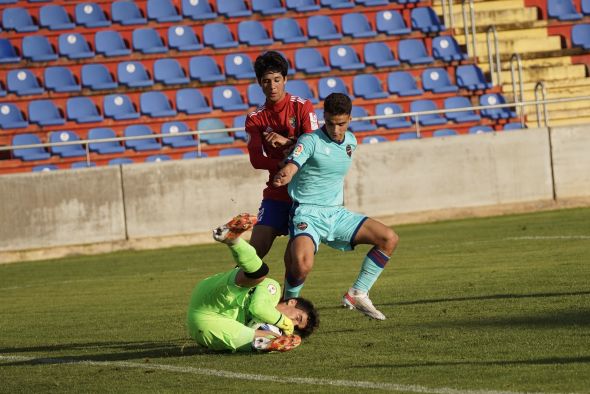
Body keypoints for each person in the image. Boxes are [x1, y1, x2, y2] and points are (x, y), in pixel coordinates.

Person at [272, 93, 399, 320]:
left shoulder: (351, 142)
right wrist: (286, 173)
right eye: (330, 123)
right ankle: (285, 308)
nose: (336, 129)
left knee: (388, 238)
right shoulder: (310, 140)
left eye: (341, 124)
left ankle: (358, 293)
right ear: (324, 118)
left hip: (337, 213)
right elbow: (294, 163)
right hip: (308, 213)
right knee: (301, 265)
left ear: (349, 119)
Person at [187, 213, 319, 353]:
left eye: (295, 327)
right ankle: (233, 240)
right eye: (298, 318)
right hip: (213, 298)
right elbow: (258, 308)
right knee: (260, 274)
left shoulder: (265, 323)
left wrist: (274, 338)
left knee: (259, 340)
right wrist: (286, 324)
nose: (292, 323)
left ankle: (263, 344)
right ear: (291, 302)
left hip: (205, 325)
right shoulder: (273, 290)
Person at [245, 51, 318, 259]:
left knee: (296, 259)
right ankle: (236, 290)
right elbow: (257, 160)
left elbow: (314, 148)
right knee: (252, 254)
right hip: (277, 191)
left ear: (285, 79)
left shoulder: (303, 107)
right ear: (260, 83)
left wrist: (287, 142)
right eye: (266, 81)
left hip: (304, 193)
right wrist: (283, 164)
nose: (272, 85)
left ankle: (290, 293)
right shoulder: (255, 118)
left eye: (277, 79)